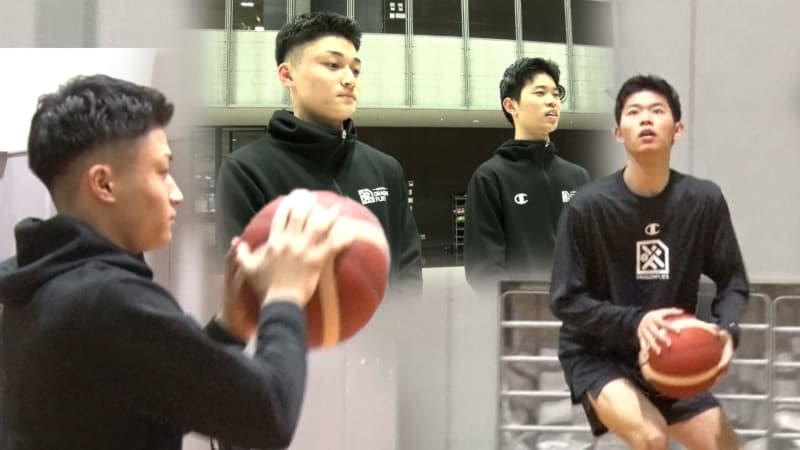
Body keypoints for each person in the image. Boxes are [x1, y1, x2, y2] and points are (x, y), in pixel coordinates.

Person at [0, 74, 343, 450]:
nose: (176, 193)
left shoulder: (38, 286)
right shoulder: (106, 299)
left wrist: (229, 329)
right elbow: (269, 416)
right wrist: (285, 295)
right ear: (104, 184)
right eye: (162, 172)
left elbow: (156, 391)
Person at [549, 74, 748, 449]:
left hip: (666, 352)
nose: (645, 119)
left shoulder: (703, 201)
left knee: (726, 446)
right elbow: (565, 299)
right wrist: (636, 322)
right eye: (633, 112)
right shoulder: (587, 207)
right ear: (618, 133)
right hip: (598, 352)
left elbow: (732, 280)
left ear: (678, 130)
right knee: (652, 436)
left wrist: (726, 329)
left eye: (657, 111)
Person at [215, 11, 422, 298]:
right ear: (287, 74)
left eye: (355, 70)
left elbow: (408, 266)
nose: (349, 80)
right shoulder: (246, 171)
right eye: (333, 65)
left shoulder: (386, 169)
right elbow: (245, 286)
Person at [464, 57, 589, 297]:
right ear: (511, 106)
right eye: (540, 93)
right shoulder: (490, 178)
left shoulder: (578, 177)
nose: (552, 101)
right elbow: (484, 271)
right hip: (521, 315)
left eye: (556, 94)